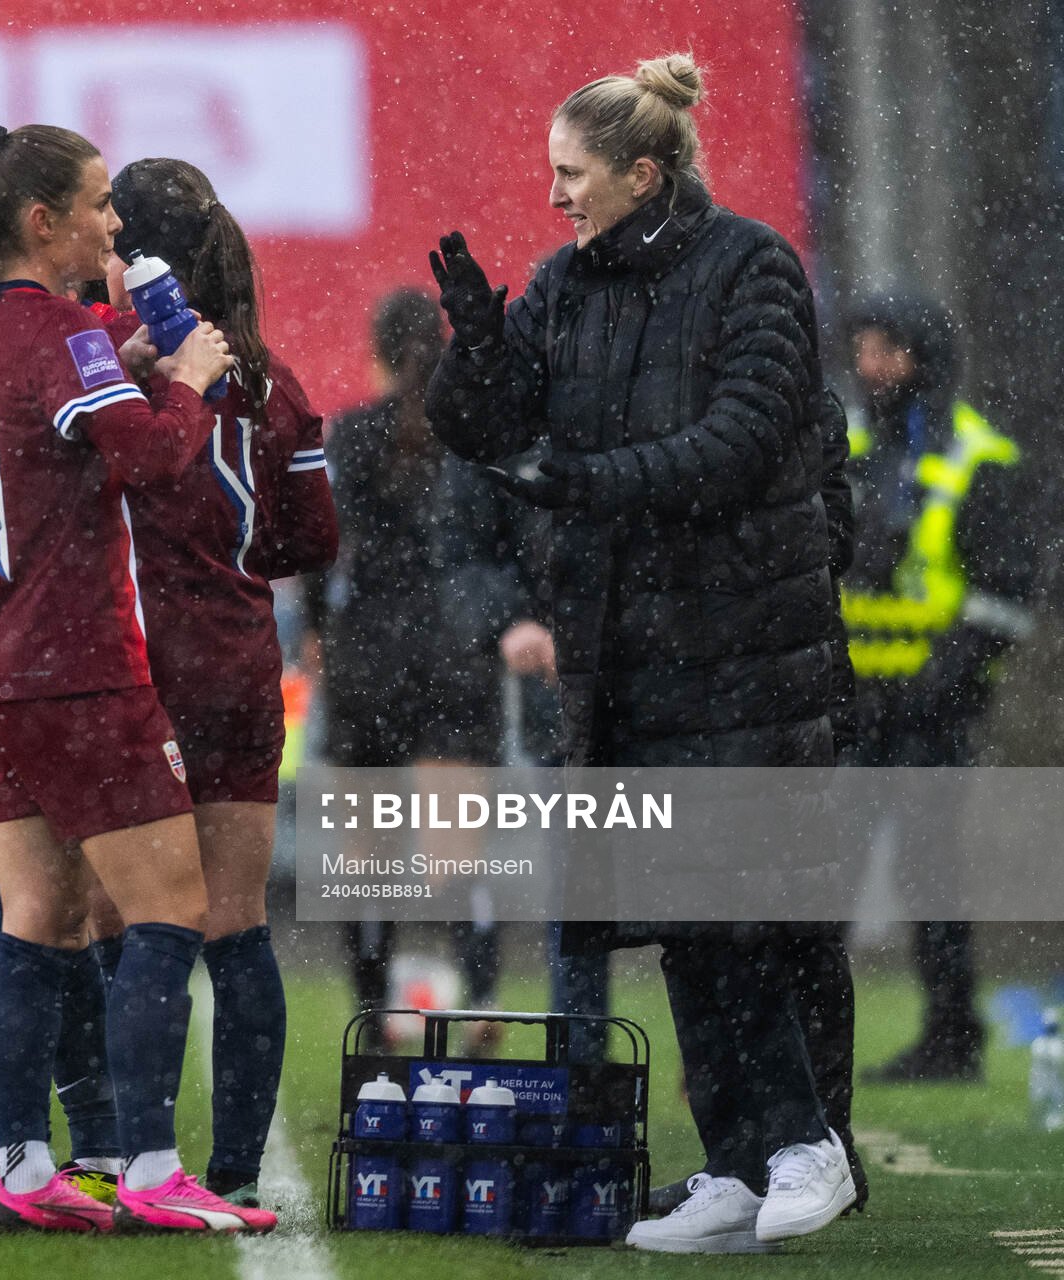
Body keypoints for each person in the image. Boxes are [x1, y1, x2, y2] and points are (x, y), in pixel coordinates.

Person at [426, 54, 855, 1253]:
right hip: (624, 656)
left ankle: (807, 1142)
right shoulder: (564, 285)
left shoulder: (754, 266)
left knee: (739, 911)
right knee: (679, 911)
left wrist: (586, 481)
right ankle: (732, 1165)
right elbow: (490, 428)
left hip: (748, 647)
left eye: (572, 174)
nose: (554, 196)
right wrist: (474, 349)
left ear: (643, 172)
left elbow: (739, 441)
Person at [0, 122, 271, 1234]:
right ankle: (156, 1164)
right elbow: (155, 462)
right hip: (79, 667)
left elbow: (50, 430)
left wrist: (123, 369)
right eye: (99, 201)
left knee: (34, 913)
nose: (113, 222)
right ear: (43, 221)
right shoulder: (62, 330)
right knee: (173, 906)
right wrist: (191, 382)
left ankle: (24, 1159)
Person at [108, 156, 338, 1207]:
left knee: (127, 924)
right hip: (237, 668)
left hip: (133, 663)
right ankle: (240, 1170)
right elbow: (309, 538)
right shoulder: (274, 380)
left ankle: (116, 1158)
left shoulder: (119, 370)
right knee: (238, 924)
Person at [307, 288, 512, 1051]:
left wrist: (321, 638)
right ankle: (485, 998)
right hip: (456, 653)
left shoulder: (352, 435)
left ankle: (375, 1015)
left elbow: (320, 546)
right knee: (455, 859)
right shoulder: (474, 438)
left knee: (370, 864)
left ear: (380, 353)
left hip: (369, 656)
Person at [839, 293, 1031, 1084]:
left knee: (930, 878)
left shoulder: (979, 458)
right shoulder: (841, 444)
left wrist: (943, 681)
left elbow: (1007, 597)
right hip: (845, 705)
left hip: (929, 709)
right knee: (821, 881)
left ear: (927, 357)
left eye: (888, 348)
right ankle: (808, 1046)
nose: (870, 364)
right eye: (863, 346)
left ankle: (952, 1040)